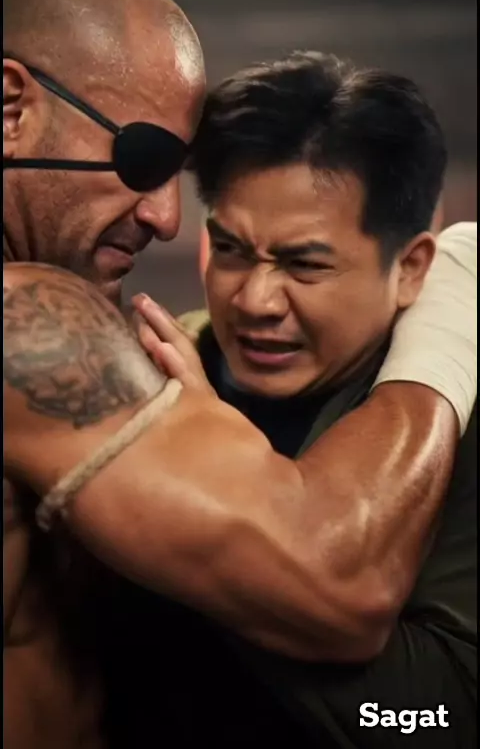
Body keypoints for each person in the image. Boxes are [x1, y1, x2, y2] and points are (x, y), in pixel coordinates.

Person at [4, 55, 476, 747]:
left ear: (410, 268)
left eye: (304, 264)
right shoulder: (148, 378)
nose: (255, 300)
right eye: (229, 249)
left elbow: (443, 719)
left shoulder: (459, 434)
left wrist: (219, 543)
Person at [3, 0, 205, 749]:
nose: (167, 218)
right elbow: (342, 594)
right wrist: (447, 334)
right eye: (145, 160)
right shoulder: (30, 322)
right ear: (11, 110)